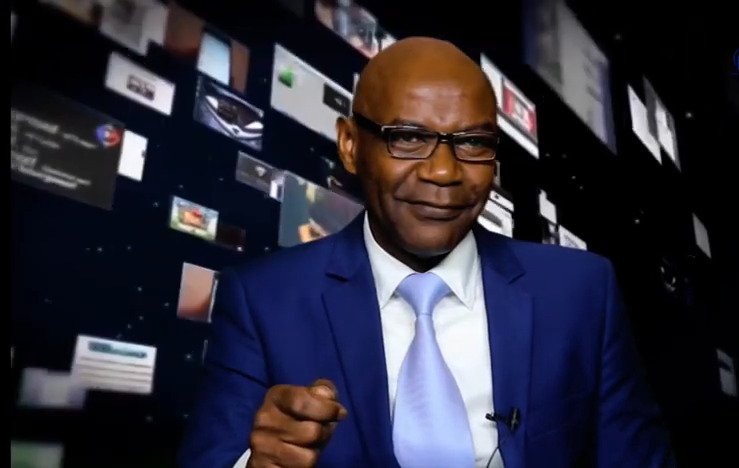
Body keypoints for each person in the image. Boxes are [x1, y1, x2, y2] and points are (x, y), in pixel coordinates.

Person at [178, 37, 675, 468]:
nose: (443, 172)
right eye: (409, 138)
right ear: (350, 145)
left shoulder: (582, 293)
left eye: (473, 142)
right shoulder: (262, 301)